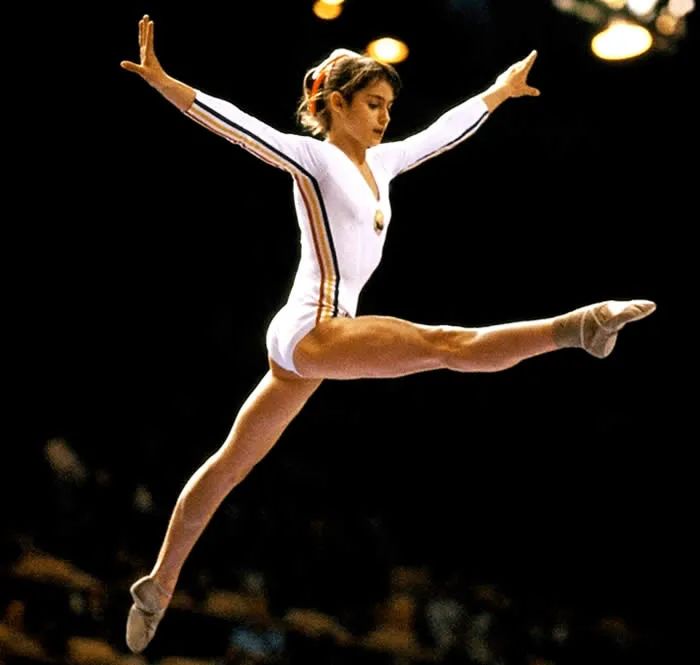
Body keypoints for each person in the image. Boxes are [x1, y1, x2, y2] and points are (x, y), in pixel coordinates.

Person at [120, 14, 656, 654]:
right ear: (336, 103)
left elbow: (440, 134)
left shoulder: (383, 162)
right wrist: (163, 81)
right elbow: (235, 123)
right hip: (311, 326)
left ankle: (158, 582)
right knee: (444, 344)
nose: (383, 117)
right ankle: (578, 327)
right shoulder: (312, 157)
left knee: (232, 464)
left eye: (388, 106)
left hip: (317, 342)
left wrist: (496, 91)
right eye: (372, 104)